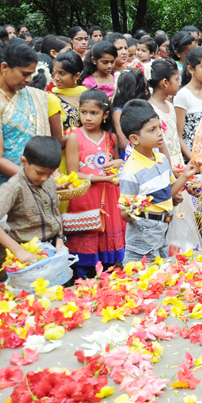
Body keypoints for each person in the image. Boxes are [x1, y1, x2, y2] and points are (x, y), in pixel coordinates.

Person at [0, 44, 65, 186]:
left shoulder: (30, 94)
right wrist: (37, 179)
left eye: (31, 74)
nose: (29, 80)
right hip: (10, 186)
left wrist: (49, 177)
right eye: (25, 74)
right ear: (4, 68)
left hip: (40, 180)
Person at [119, 100, 197, 263]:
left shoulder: (161, 159)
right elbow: (125, 215)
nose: (160, 133)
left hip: (163, 228)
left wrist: (185, 176)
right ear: (134, 139)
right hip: (144, 232)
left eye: (160, 127)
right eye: (152, 130)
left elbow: (167, 192)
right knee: (139, 274)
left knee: (159, 272)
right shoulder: (130, 171)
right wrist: (134, 208)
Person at [64, 90, 125, 279]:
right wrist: (102, 179)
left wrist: (119, 163)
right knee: (86, 244)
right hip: (85, 197)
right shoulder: (75, 136)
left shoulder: (111, 137)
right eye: (84, 112)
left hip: (109, 198)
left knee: (109, 258)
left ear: (105, 115)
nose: (88, 117)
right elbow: (73, 173)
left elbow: (117, 163)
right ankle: (83, 283)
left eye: (94, 113)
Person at [0, 136, 65, 272]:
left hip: (52, 248)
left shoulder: (49, 182)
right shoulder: (13, 188)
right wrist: (19, 251)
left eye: (50, 173)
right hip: (25, 253)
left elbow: (55, 211)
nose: (44, 178)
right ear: (23, 162)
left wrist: (60, 239)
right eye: (40, 172)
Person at [148, 59, 183, 167]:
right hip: (163, 164)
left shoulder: (170, 106)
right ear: (165, 83)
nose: (179, 83)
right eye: (176, 79)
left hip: (178, 161)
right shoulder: (150, 109)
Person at [111, 69, 151, 157]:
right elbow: (123, 143)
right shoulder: (119, 112)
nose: (146, 92)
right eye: (143, 89)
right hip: (131, 155)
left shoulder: (143, 106)